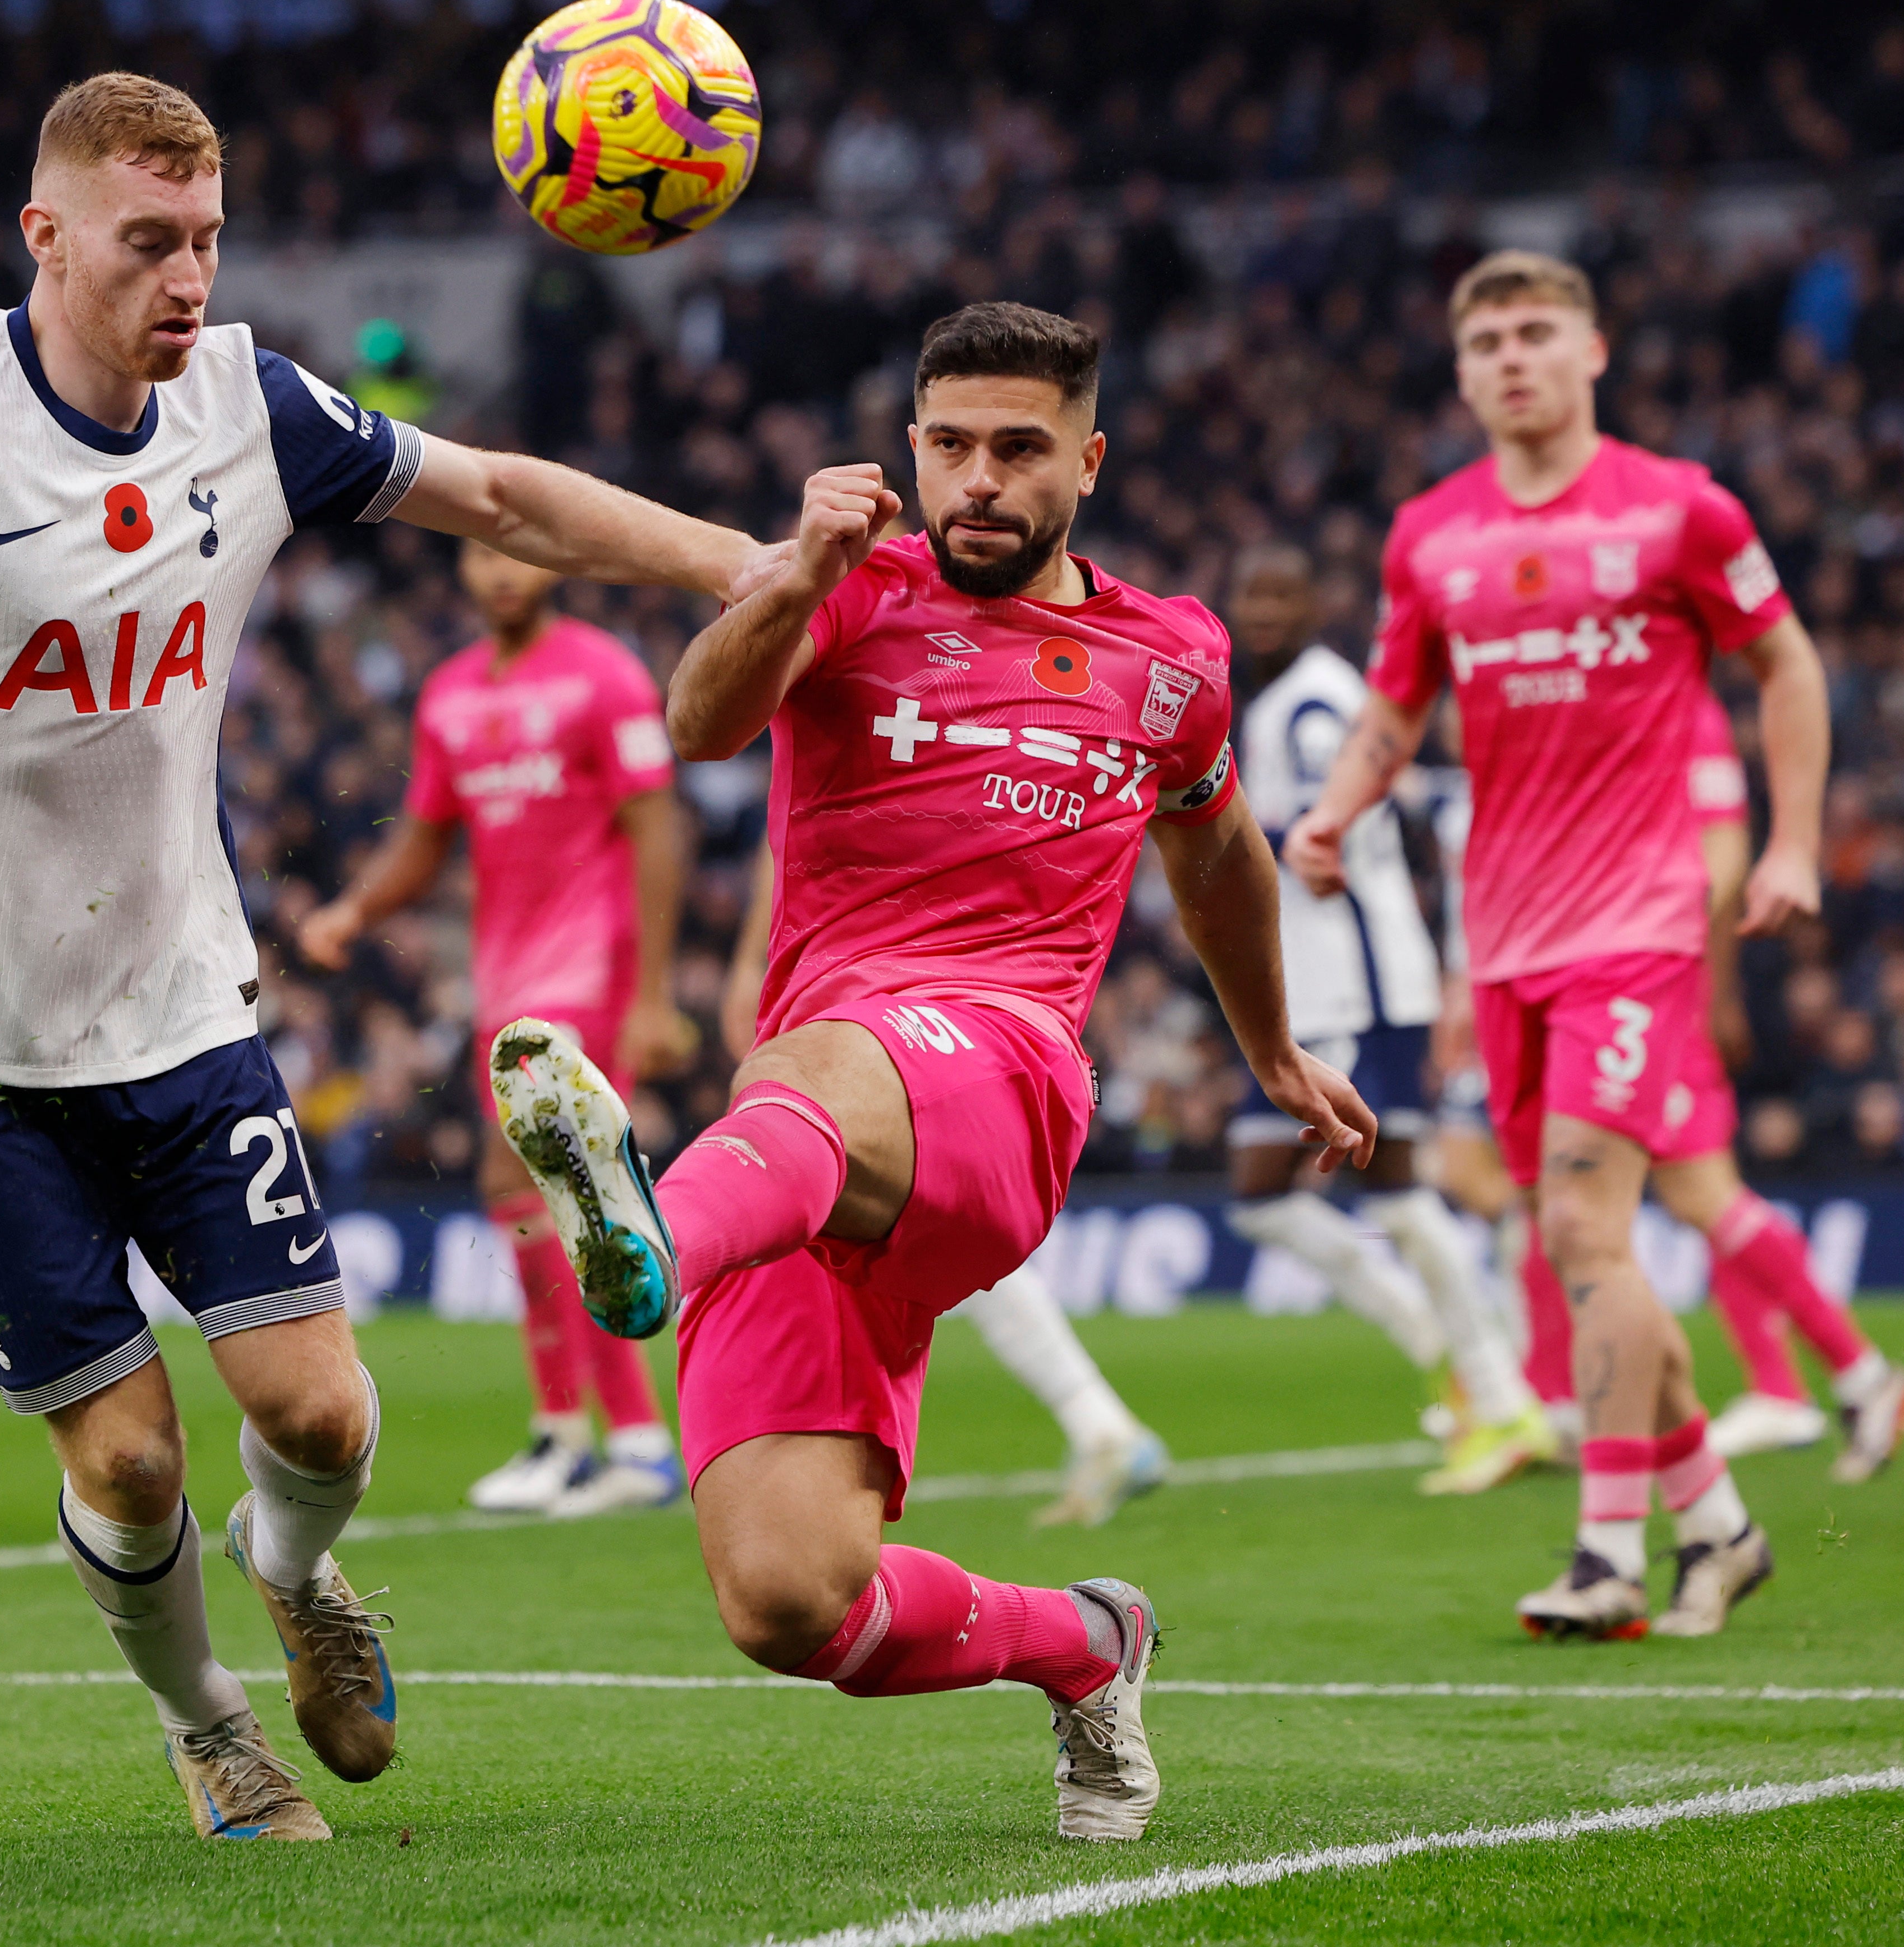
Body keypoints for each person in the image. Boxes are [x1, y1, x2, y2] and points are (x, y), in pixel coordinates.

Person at [0, 73, 794, 1843]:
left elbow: (497, 494)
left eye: (204, 239)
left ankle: (297, 1576)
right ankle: (205, 1722)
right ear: (42, 238)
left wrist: (749, 565)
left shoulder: (249, 400)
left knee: (322, 1417)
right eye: (144, 243)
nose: (184, 276)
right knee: (121, 1454)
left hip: (181, 1005)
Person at [491, 302, 1374, 1843]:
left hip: (998, 1084)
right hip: (804, 1150)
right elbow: (702, 724)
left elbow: (1219, 856)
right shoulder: (852, 590)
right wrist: (795, 576)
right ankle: (1088, 1642)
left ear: (1085, 463)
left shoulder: (1170, 660)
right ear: (910, 448)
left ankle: (644, 1245)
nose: (980, 479)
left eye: (1019, 450)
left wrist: (1271, 1048)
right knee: (790, 1605)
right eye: (950, 445)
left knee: (829, 1052)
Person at [1285, 250, 1829, 1641]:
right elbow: (1396, 705)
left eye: (1537, 333)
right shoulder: (1429, 535)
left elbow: (1784, 662)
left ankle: (1603, 1553)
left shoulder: (1679, 510)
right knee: (1576, 1241)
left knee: (1586, 1231)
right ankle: (1715, 1517)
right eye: (1486, 340)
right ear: (1461, 373)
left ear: (1591, 353)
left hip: (1635, 926)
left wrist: (1786, 842)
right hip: (1507, 936)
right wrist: (1336, 811)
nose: (1512, 358)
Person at [299, 540, 692, 1518]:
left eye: (518, 552)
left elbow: (657, 825)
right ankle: (566, 1436)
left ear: (554, 564)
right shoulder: (451, 693)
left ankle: (636, 1441)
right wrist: (353, 911)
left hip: (589, 967)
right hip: (504, 979)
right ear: (463, 572)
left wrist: (648, 994)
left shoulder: (603, 673)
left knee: (557, 1185)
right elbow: (426, 842)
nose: (501, 572)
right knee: (518, 1193)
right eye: (481, 554)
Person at [1505, 694, 1904, 1479]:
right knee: (1678, 1193)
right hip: (1623, 985)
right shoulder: (1614, 708)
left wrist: (1693, 983)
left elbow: (1720, 861)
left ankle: (1569, 1408)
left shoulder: (1684, 717)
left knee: (1661, 1194)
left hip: (1651, 991)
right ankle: (1827, 1380)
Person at [1225, 542, 1555, 1494]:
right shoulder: (1289, 703)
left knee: (1392, 1197)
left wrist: (1209, 824)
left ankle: (1495, 1396)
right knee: (1267, 1197)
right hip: (1323, 989)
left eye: (1279, 591)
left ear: (1315, 604)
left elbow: (1345, 825)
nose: (1260, 609)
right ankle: (1458, 1364)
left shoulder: (1319, 705)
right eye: (1250, 590)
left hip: (1361, 985)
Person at [724, 844, 1170, 1529]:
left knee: (893, 1227)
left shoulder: (837, 786)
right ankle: (1098, 1422)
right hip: (944, 1006)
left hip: (897, 1004)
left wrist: (753, 977)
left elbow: (779, 872)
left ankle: (1095, 1425)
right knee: (931, 1228)